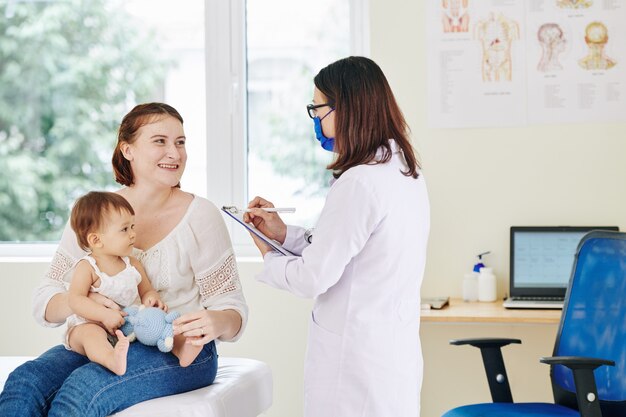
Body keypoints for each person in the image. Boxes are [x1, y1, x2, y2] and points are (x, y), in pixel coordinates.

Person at [0, 103, 248, 416]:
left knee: (82, 391)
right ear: (127, 149)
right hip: (107, 337)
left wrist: (217, 320)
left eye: (181, 142)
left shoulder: (201, 216)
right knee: (25, 382)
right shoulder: (96, 214)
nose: (175, 152)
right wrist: (83, 302)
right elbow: (44, 301)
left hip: (179, 346)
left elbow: (233, 308)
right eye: (160, 141)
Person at [244, 56, 430, 417]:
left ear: (345, 109)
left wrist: (269, 256)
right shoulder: (404, 170)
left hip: (353, 366)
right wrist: (283, 234)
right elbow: (349, 245)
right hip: (391, 360)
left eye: (317, 109)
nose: (315, 120)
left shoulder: (360, 182)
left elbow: (313, 276)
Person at [66, 191, 170, 376]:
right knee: (92, 335)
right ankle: (111, 360)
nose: (132, 235)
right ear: (96, 240)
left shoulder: (132, 264)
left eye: (132, 227)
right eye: (124, 229)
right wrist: (103, 315)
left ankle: (174, 345)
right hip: (89, 325)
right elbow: (75, 299)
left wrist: (152, 300)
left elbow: (147, 290)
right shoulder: (88, 267)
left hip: (125, 326)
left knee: (152, 327)